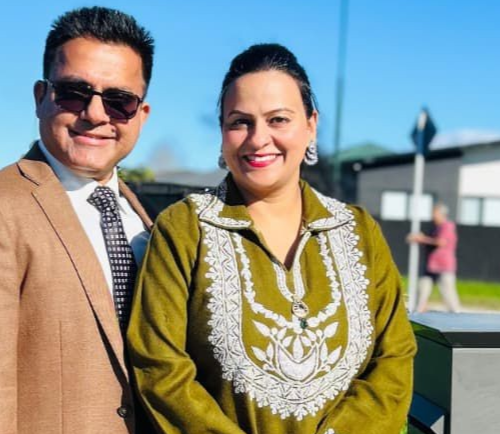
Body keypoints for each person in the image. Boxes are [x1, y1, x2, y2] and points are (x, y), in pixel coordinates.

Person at [127, 43, 416, 434]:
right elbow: (158, 366)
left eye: (278, 119)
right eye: (240, 122)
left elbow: (394, 358)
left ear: (311, 124)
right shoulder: (184, 229)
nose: (258, 139)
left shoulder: (359, 231)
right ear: (222, 132)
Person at [0, 6, 156, 434]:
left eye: (119, 101)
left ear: (141, 115)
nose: (96, 114)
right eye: (74, 93)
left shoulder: (142, 218)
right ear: (40, 97)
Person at [408, 203, 461, 313]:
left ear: (442, 214)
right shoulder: (436, 228)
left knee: (449, 295)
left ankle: (457, 317)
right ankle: (417, 313)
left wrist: (421, 239)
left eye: (434, 213)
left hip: (443, 266)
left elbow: (441, 242)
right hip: (431, 266)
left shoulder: (447, 226)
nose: (433, 216)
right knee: (422, 289)